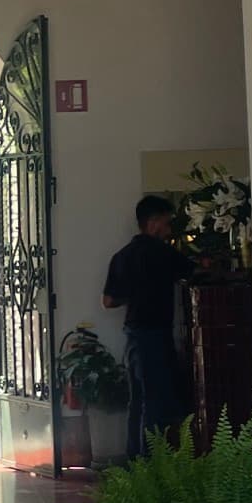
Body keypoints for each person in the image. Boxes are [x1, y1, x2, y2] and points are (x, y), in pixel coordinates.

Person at [102, 194, 193, 454]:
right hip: (156, 334)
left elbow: (108, 301)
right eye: (166, 223)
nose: (168, 230)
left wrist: (134, 294)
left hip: (133, 335)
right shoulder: (164, 254)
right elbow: (197, 272)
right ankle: (153, 464)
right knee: (157, 403)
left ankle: (135, 465)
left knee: (138, 401)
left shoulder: (122, 256)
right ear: (153, 223)